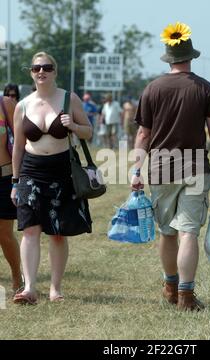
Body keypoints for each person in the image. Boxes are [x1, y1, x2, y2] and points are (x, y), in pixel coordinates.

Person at [130, 22, 210, 311]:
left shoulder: (152, 88)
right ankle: (186, 296)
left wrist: (136, 171)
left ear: (168, 58)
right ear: (191, 57)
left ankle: (170, 286)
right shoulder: (205, 89)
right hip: (195, 167)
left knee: (167, 232)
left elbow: (143, 135)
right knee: (188, 232)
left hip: (160, 168)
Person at [11, 52, 93, 305]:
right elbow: (18, 147)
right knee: (30, 229)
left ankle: (55, 289)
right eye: (36, 68)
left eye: (47, 67)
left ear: (55, 71)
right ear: (31, 72)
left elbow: (88, 132)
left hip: (62, 170)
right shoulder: (22, 105)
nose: (41, 72)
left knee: (58, 233)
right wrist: (15, 182)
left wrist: (75, 127)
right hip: (31, 171)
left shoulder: (70, 99)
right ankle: (29, 288)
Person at [0, 95, 23, 294]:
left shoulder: (5, 103)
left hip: (4, 177)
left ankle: (17, 275)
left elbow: (21, 140)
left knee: (4, 234)